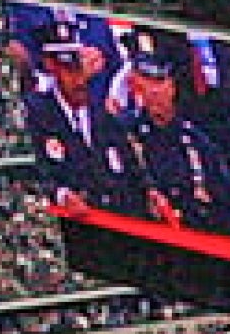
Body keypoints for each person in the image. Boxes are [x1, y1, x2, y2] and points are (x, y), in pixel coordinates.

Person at [18, 12, 152, 219]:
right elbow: (36, 175)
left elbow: (133, 170)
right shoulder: (37, 115)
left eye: (80, 67)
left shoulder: (103, 115)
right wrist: (61, 195)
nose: (78, 79)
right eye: (69, 70)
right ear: (51, 66)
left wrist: (151, 191)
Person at [110, 27, 230, 235]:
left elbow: (220, 207)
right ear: (134, 84)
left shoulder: (197, 142)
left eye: (160, 81)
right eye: (146, 80)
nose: (154, 90)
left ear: (172, 85)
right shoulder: (121, 134)